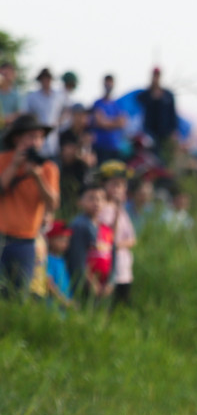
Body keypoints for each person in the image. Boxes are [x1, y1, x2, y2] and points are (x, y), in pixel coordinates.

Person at [0, 114, 60, 293]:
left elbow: (53, 204)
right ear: (17, 138)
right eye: (32, 136)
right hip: (2, 237)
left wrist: (38, 176)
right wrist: (14, 166)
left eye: (40, 137)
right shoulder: (3, 160)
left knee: (19, 296)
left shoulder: (48, 168)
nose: (37, 141)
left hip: (26, 242)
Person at [97, 162, 137, 305]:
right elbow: (108, 237)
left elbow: (132, 239)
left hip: (124, 267)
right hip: (107, 267)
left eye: (122, 185)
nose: (119, 189)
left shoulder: (121, 210)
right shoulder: (101, 209)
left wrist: (117, 244)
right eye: (114, 184)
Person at [67, 184, 110, 300]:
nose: (97, 202)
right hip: (84, 283)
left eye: (101, 198)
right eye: (91, 198)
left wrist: (109, 282)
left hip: (101, 284)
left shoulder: (100, 225)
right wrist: (91, 282)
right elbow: (78, 259)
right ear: (80, 202)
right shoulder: (80, 225)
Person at [136, 68, 179, 150]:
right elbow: (139, 100)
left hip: (165, 133)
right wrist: (152, 94)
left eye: (157, 76)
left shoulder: (167, 95)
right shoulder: (146, 94)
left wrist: (174, 130)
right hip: (149, 133)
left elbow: (172, 114)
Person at [91, 74, 128, 163]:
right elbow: (99, 122)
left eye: (110, 82)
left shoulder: (117, 104)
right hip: (100, 148)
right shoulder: (98, 103)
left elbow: (123, 123)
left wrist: (106, 121)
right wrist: (115, 122)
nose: (109, 85)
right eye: (107, 82)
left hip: (115, 147)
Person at [43, 220, 72, 303]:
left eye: (67, 239)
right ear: (50, 239)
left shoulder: (61, 260)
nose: (65, 243)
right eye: (61, 239)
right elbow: (48, 284)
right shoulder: (47, 259)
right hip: (51, 307)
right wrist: (63, 301)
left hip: (62, 309)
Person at [0, 61, 20, 126]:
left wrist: (5, 119)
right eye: (4, 74)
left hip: (10, 131)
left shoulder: (17, 95)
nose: (6, 78)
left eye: (8, 74)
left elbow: (19, 113)